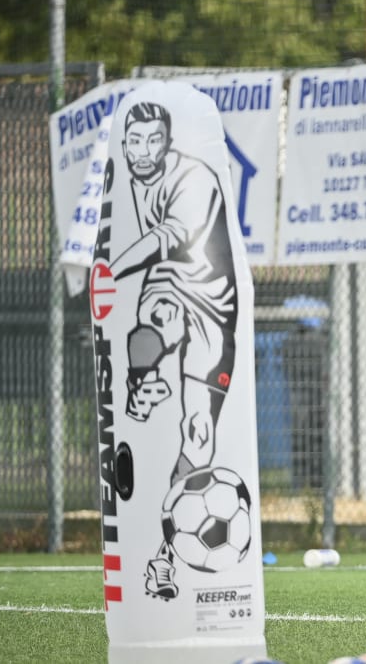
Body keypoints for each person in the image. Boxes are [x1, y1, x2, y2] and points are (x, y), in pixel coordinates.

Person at [110, 99, 238, 598]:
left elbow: (168, 238)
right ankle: (144, 380)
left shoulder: (195, 178)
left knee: (199, 434)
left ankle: (164, 558)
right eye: (134, 141)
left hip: (215, 304)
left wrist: (110, 270)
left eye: (152, 140)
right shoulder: (122, 182)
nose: (143, 151)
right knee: (157, 316)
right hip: (169, 288)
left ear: (168, 142)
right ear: (125, 145)